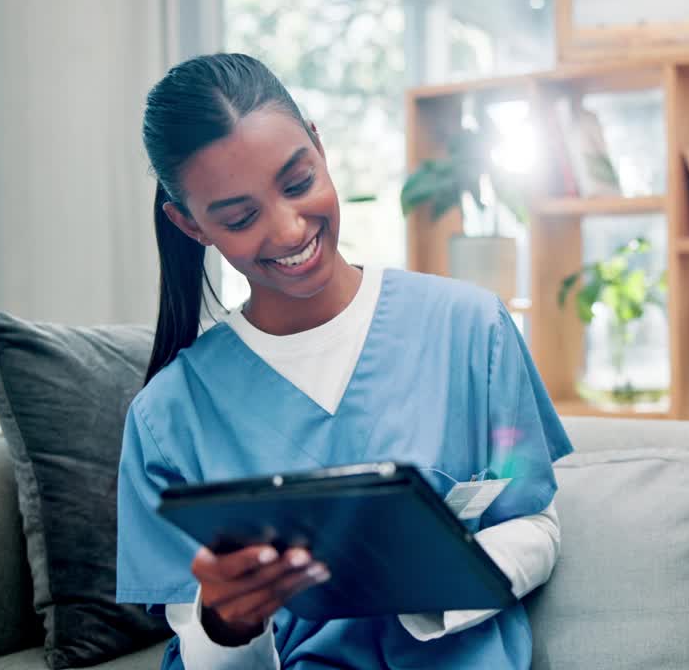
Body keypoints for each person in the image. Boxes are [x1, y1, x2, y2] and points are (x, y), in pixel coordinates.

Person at [115, 53, 572, 669]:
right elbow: (198, 645)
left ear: (320, 149)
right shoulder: (167, 419)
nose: (287, 229)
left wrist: (423, 582)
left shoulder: (471, 329)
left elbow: (535, 526)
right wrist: (227, 627)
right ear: (190, 226)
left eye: (299, 183)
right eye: (241, 217)